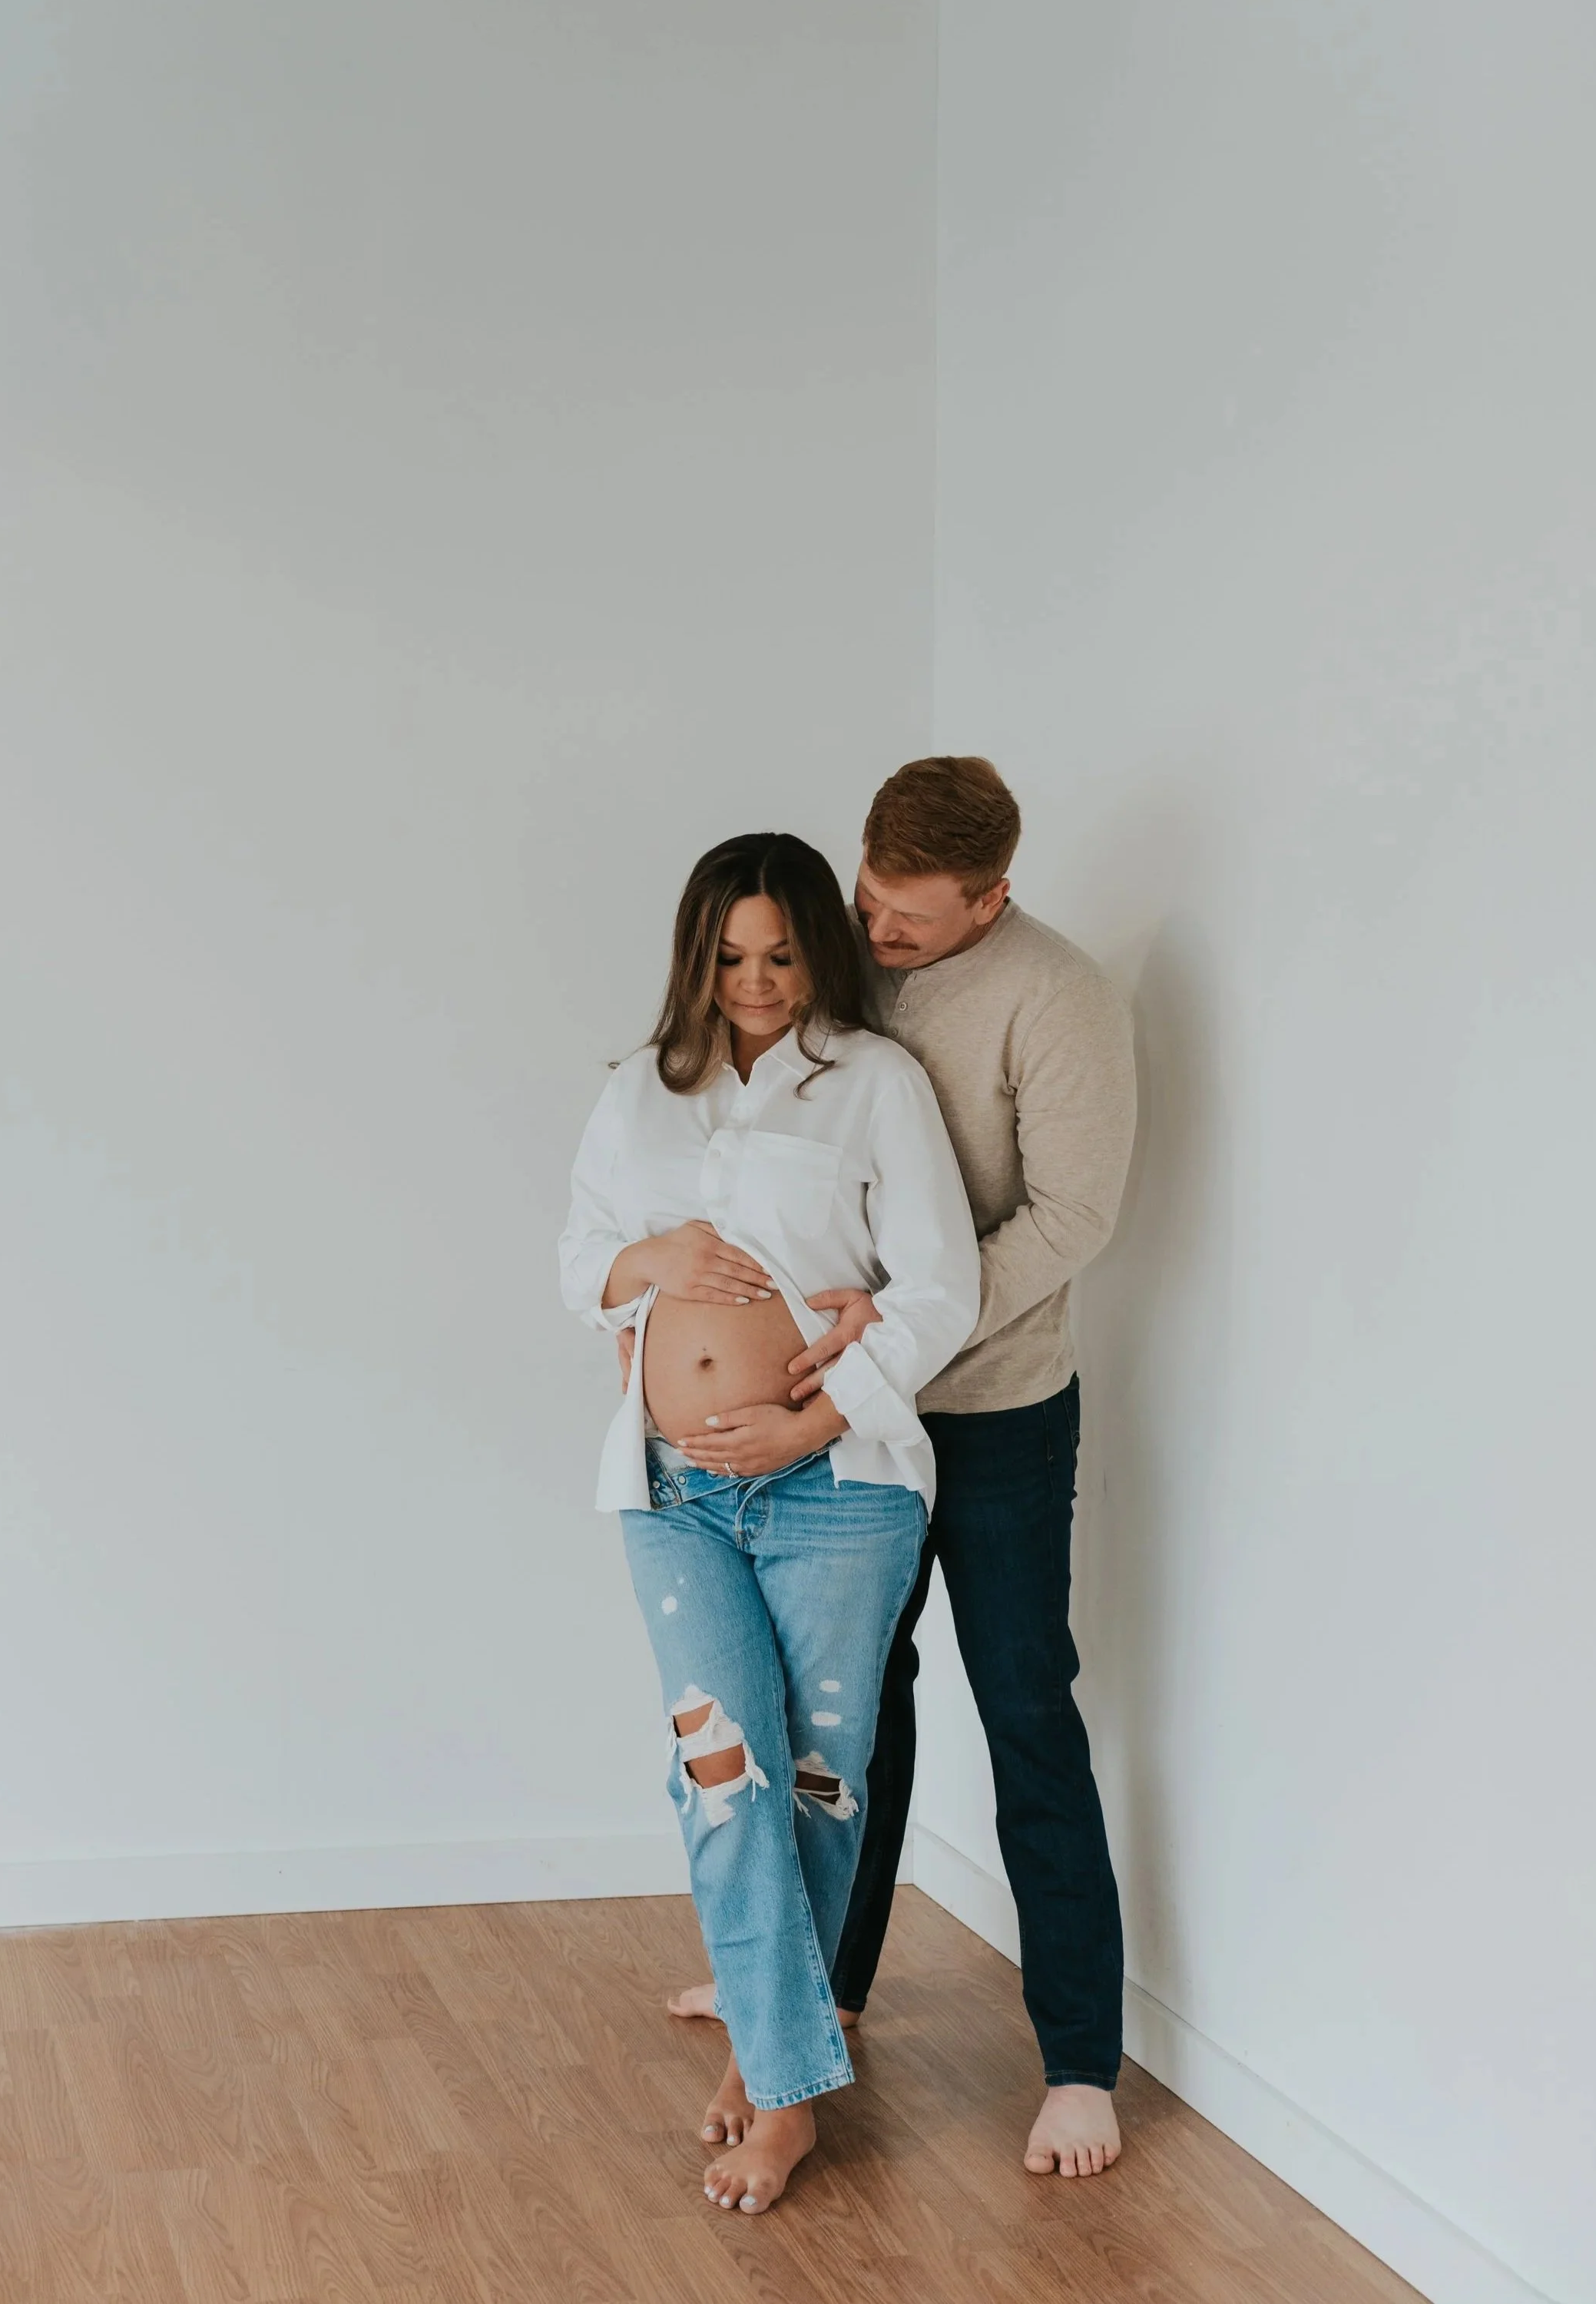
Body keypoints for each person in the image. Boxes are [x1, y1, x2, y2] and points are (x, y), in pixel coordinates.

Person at [665, 758, 1140, 2180]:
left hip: (987, 1407)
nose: (875, 935)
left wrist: (904, 1319)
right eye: (866, 900)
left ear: (993, 897)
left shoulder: (1058, 1002)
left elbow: (1071, 1217)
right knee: (845, 1719)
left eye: (911, 921)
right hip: (848, 1421)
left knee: (1023, 1707)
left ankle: (1077, 2062)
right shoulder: (850, 961)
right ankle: (814, 2002)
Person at [559, 829, 980, 2216]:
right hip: (675, 1494)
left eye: (784, 955)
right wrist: (650, 1259)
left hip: (838, 1488)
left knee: (815, 1779)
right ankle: (783, 2053)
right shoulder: (636, 1095)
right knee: (719, 1776)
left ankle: (778, 2079)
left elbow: (939, 1290)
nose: (757, 982)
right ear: (697, 957)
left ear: (821, 950)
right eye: (732, 958)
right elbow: (579, 1272)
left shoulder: (876, 1085)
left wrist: (816, 1413)